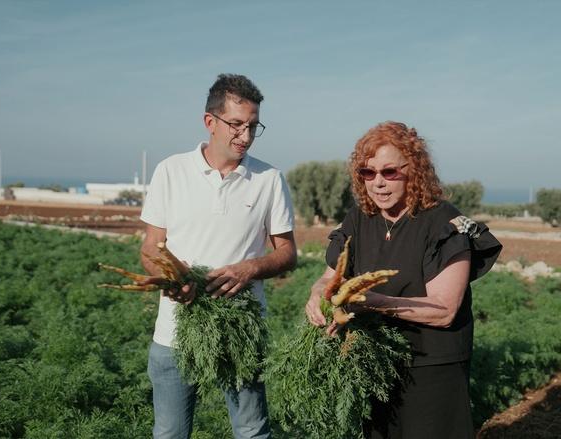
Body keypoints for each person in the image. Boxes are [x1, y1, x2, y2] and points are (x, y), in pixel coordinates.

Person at [305, 121, 502, 439]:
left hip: (431, 369)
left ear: (414, 171)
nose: (378, 183)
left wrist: (376, 303)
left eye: (389, 172)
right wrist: (318, 294)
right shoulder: (359, 219)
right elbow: (330, 276)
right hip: (376, 363)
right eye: (368, 173)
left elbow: (444, 309)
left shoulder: (442, 223)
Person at [140, 73, 297, 439]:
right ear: (210, 121)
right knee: (170, 432)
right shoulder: (170, 171)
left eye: (253, 126)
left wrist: (250, 268)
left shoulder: (269, 179)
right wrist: (172, 280)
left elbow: (288, 253)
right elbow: (151, 248)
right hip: (174, 331)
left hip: (242, 329)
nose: (245, 136)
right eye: (236, 124)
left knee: (252, 431)